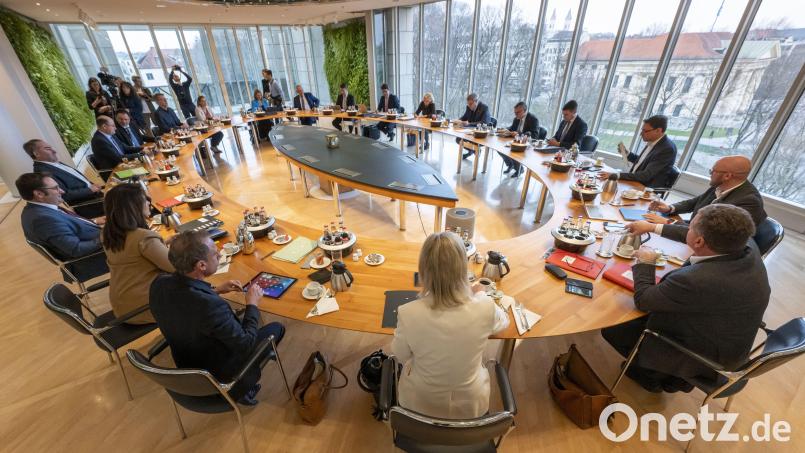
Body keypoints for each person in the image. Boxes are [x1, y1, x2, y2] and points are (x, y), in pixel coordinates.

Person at [602, 204, 770, 393]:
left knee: (612, 327)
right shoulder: (746, 246)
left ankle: (653, 376)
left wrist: (646, 262)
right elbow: (694, 236)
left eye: (690, 227)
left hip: (701, 358)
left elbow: (644, 301)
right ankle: (665, 375)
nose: (686, 230)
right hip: (728, 343)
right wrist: (653, 227)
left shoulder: (697, 280)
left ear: (699, 241)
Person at [149, 230, 286, 405]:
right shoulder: (210, 306)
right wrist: (252, 304)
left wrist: (215, 290)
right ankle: (245, 387)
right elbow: (245, 344)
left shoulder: (159, 284)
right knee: (277, 328)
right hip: (221, 378)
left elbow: (185, 305)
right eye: (215, 254)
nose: (220, 254)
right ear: (201, 266)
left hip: (187, 370)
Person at [391, 232, 509, 419]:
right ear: (463, 269)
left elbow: (400, 355)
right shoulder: (485, 307)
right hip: (471, 408)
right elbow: (503, 322)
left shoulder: (408, 312)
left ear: (423, 270)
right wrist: (479, 295)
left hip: (419, 406)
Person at [101, 184, 173, 324]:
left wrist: (162, 243)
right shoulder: (144, 238)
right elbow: (176, 267)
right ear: (133, 207)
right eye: (144, 199)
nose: (148, 202)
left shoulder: (108, 233)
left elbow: (134, 256)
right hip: (146, 307)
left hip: (124, 304)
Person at [17, 173, 108, 281]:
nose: (62, 191)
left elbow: (67, 227)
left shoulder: (36, 209)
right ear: (39, 194)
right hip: (94, 258)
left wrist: (94, 221)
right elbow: (77, 249)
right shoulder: (42, 220)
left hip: (97, 243)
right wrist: (108, 236)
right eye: (56, 188)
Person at [641, 155, 766, 228]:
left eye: (713, 171)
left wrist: (669, 222)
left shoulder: (748, 202)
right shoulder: (721, 185)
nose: (710, 174)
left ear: (727, 176)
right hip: (693, 230)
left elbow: (710, 233)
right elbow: (695, 202)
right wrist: (669, 208)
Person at [25, 139, 104, 217]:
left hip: (98, 195)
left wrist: (92, 185)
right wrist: (90, 190)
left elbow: (78, 179)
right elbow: (64, 195)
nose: (54, 151)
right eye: (48, 149)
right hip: (91, 204)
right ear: (36, 154)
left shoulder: (53, 163)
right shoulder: (43, 172)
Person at [598, 115, 677, 188]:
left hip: (646, 187)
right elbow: (642, 162)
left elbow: (646, 176)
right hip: (635, 181)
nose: (641, 134)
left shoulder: (667, 149)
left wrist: (617, 175)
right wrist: (627, 154)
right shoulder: (653, 141)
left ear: (658, 130)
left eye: (645, 131)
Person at [500, 101, 539, 178]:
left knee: (513, 151)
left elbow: (535, 135)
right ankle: (511, 164)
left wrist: (519, 134)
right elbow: (512, 128)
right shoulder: (516, 118)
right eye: (515, 112)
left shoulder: (533, 119)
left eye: (517, 112)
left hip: (526, 145)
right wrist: (505, 129)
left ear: (525, 111)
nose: (516, 114)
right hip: (516, 142)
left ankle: (519, 169)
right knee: (500, 149)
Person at [458, 93, 492, 159]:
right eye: (468, 104)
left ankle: (474, 150)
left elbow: (484, 123)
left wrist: (469, 124)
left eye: (470, 104)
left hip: (479, 133)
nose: (469, 105)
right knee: (458, 139)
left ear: (476, 101)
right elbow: (464, 117)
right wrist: (458, 120)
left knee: (465, 140)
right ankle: (473, 150)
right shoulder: (468, 107)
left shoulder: (484, 108)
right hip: (469, 131)